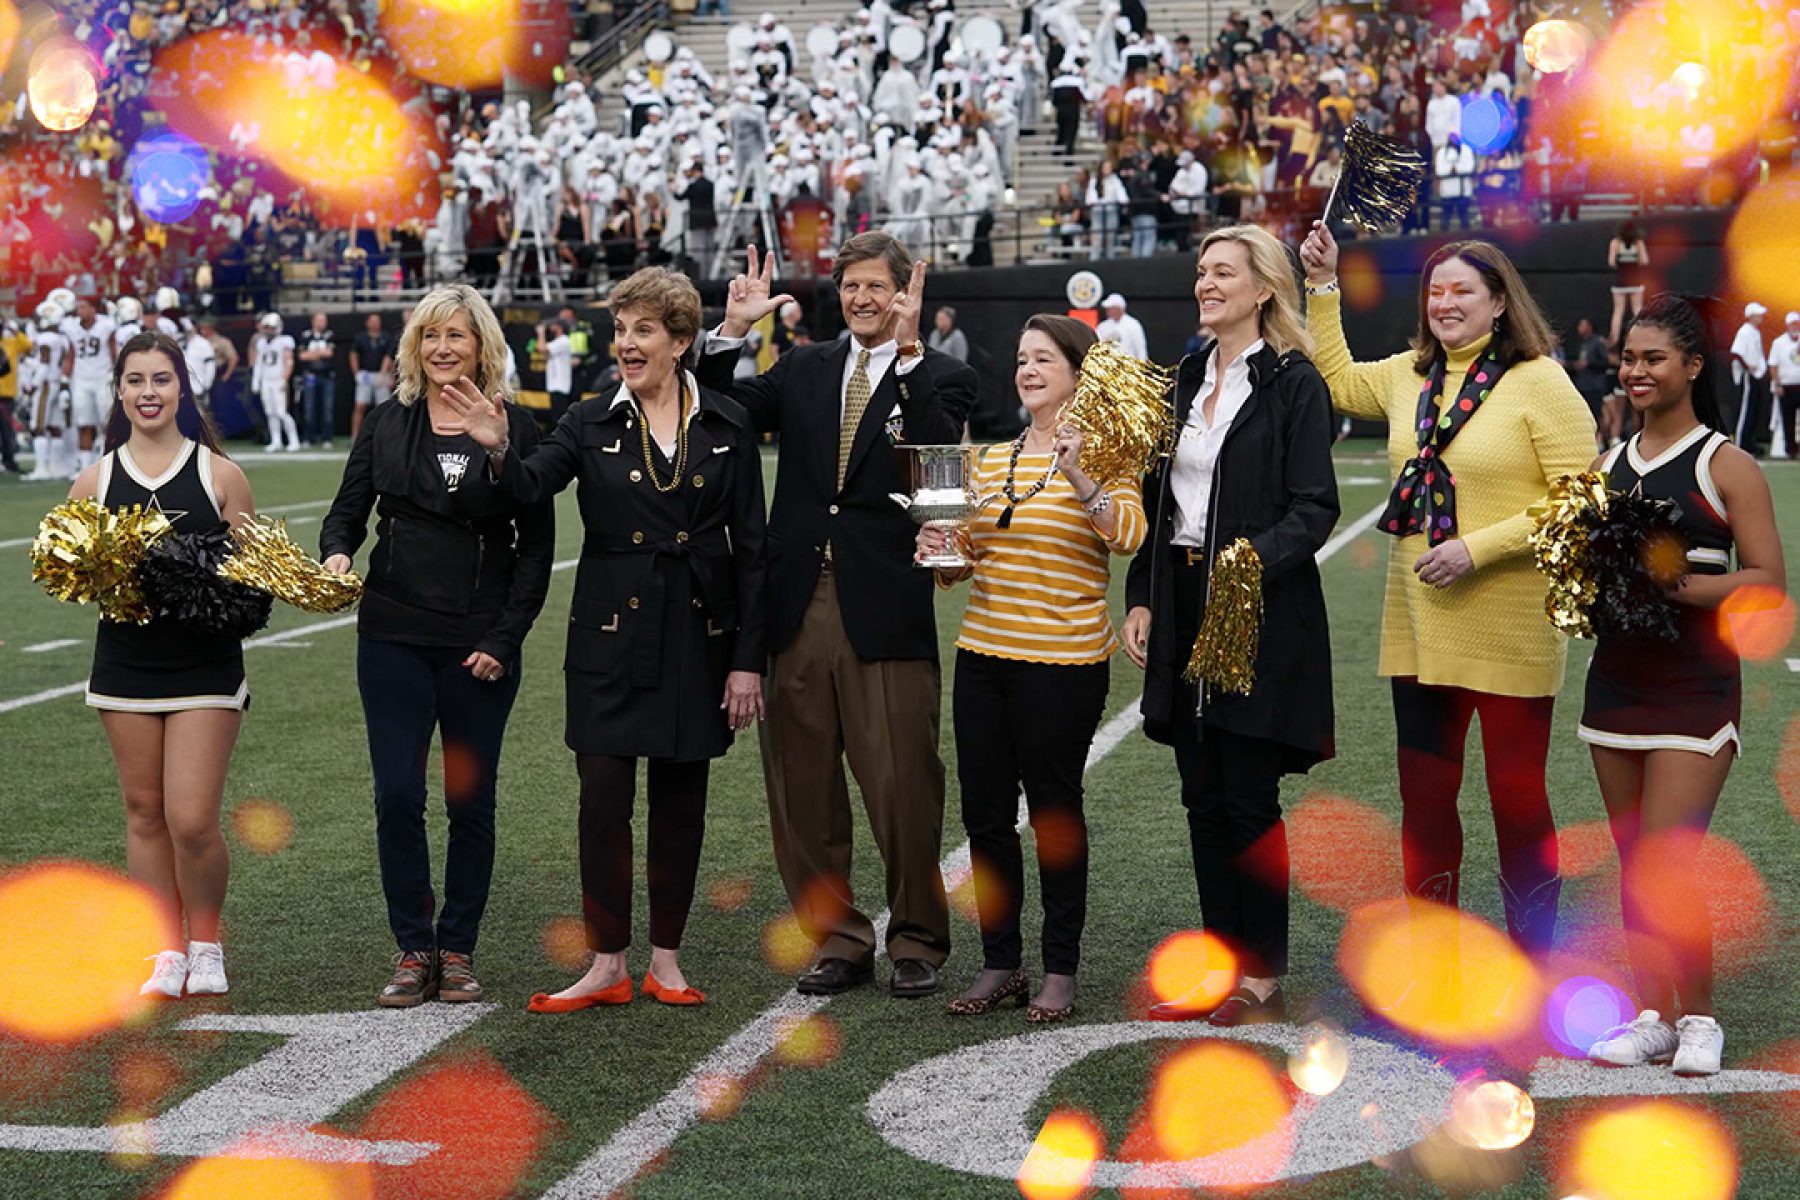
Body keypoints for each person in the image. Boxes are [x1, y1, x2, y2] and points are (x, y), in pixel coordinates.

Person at [443, 268, 767, 1011]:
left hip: (697, 632)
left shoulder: (725, 421)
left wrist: (749, 660)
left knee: (682, 802)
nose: (626, 343)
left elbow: (753, 548)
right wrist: (498, 451)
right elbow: (529, 487)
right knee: (603, 802)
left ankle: (668, 962)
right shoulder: (586, 421)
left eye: (643, 330)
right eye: (621, 330)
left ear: (681, 341)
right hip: (609, 639)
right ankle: (605, 962)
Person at [1299, 221, 1596, 956]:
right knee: (1425, 801)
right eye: (1436, 291)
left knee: (1516, 801)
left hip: (1510, 628)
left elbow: (1582, 499)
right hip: (1418, 627)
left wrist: (1478, 549)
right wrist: (1323, 285)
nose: (1446, 302)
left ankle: (1533, 960)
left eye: (1464, 289)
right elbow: (1334, 378)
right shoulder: (1409, 374)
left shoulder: (1540, 381)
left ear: (1500, 302)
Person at [697, 236, 978, 998]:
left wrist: (914, 355)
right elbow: (715, 410)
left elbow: (937, 476)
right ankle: (838, 938)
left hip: (885, 607)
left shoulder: (944, 376)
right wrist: (731, 335)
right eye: (851, 286)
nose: (861, 299)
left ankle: (918, 937)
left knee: (903, 784)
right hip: (796, 603)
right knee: (802, 787)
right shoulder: (804, 367)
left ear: (904, 293)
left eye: (877, 287)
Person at [1123, 225, 1339, 1025]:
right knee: (1201, 797)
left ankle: (1261, 976)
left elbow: (1316, 506)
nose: (1206, 284)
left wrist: (1246, 564)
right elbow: (1156, 503)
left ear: (1264, 289)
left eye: (1223, 273)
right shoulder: (1179, 377)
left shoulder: (1293, 383)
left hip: (1258, 608)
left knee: (1247, 799)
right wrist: (1142, 596)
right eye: (1201, 272)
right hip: (1180, 601)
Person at [319, 284, 555, 1008]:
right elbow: (347, 512)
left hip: (476, 643)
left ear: (483, 344)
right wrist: (335, 556)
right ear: (414, 347)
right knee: (396, 795)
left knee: (470, 801)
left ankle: (457, 947)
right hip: (391, 634)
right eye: (431, 336)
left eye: (458, 335)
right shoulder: (389, 422)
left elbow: (536, 549)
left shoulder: (517, 426)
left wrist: (503, 639)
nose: (444, 348)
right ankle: (411, 945)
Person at [1581, 294, 1784, 1077]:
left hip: (1695, 688)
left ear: (1693, 366)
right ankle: (1653, 1016)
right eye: (1629, 358)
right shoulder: (1605, 466)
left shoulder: (1724, 463)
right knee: (1634, 861)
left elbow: (1767, 579)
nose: (1635, 370)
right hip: (1617, 684)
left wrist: (1674, 589)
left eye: (1653, 358)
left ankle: (1701, 1018)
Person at [921, 315, 1145, 1022]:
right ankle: (999, 962)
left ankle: (1060, 968)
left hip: (1065, 663)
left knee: (1053, 815)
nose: (1027, 370)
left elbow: (1128, 535)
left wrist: (1079, 472)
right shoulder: (984, 460)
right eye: (1021, 359)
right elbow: (955, 572)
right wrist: (937, 545)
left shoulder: (1106, 452)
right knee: (986, 818)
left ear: (1078, 373)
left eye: (1044, 359)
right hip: (983, 657)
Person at [69, 331, 258, 999]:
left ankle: (206, 944)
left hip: (205, 667)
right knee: (144, 810)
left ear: (182, 388)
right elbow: (78, 578)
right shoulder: (94, 479)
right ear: (119, 391)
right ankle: (164, 951)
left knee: (191, 817)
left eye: (162, 379)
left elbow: (248, 587)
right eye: (136, 381)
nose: (149, 392)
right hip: (125, 665)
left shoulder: (221, 475)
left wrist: (193, 579)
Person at [61, 298, 116, 473]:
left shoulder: (107, 325)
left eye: (84, 307)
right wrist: (64, 382)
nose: (80, 310)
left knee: (106, 424)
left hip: (102, 378)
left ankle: (108, 464)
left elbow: (114, 352)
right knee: (84, 424)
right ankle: (85, 468)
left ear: (94, 309)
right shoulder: (71, 327)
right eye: (79, 307)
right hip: (81, 379)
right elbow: (71, 354)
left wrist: (118, 375)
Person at [250, 312, 300, 453]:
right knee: (270, 412)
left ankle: (293, 440)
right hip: (266, 380)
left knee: (281, 412)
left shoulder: (285, 341)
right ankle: (276, 441)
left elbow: (289, 361)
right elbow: (259, 364)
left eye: (271, 327)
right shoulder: (261, 343)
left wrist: (284, 379)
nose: (269, 331)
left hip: (278, 379)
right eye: (267, 328)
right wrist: (256, 381)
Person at [1730, 302, 1769, 455]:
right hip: (1748, 376)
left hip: (1756, 376)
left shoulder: (1755, 332)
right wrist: (1748, 367)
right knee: (1746, 410)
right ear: (1751, 316)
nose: (1761, 317)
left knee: (1754, 410)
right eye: (1758, 315)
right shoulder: (1744, 332)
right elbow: (1737, 352)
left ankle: (1749, 442)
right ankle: (1740, 443)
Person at [351, 313, 395, 442]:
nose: (376, 324)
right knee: (360, 406)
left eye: (378, 321)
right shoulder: (360, 338)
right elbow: (353, 355)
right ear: (367, 323)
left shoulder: (386, 338)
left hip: (381, 374)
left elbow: (389, 357)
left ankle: (386, 436)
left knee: (384, 408)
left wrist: (387, 375)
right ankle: (355, 436)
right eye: (373, 321)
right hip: (365, 375)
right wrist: (356, 373)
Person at [1607, 220, 1651, 348]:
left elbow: (1611, 262)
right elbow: (1644, 261)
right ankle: (1642, 334)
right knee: (1637, 309)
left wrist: (1622, 260)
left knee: (1618, 310)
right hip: (1634, 279)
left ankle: (1614, 338)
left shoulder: (1615, 242)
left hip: (1621, 280)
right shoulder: (1638, 242)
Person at [1569, 317, 1612, 443]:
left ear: (1590, 327)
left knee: (1596, 415)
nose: (1580, 329)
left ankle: (1599, 440)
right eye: (1579, 326)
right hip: (1583, 386)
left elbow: (1605, 363)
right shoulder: (1581, 344)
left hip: (1595, 386)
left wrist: (1590, 363)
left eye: (1583, 325)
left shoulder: (1597, 343)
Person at [297, 311, 337, 448]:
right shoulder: (306, 336)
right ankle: (308, 437)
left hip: (327, 376)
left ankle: (327, 438)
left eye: (324, 320)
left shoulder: (329, 335)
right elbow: (302, 356)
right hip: (310, 376)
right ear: (313, 321)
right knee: (309, 408)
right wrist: (320, 354)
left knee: (327, 408)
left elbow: (330, 353)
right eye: (320, 320)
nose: (322, 323)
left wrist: (312, 354)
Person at [1770, 311, 1800, 460]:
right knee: (1788, 419)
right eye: (1792, 323)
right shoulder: (1779, 342)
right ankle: (1791, 450)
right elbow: (1773, 364)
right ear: (1787, 325)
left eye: (1797, 323)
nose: (1795, 326)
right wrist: (1777, 384)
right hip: (1786, 386)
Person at [1096, 293, 1149, 360]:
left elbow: (1140, 350)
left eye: (1110, 308)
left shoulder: (1133, 325)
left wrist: (1141, 368)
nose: (1107, 311)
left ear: (1118, 309)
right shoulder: (1103, 326)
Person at [541, 320, 574, 424]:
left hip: (560, 385)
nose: (550, 328)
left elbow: (541, 348)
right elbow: (546, 355)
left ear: (560, 328)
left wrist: (540, 332)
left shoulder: (564, 341)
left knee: (559, 418)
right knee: (555, 416)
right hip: (554, 384)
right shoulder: (556, 342)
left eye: (553, 325)